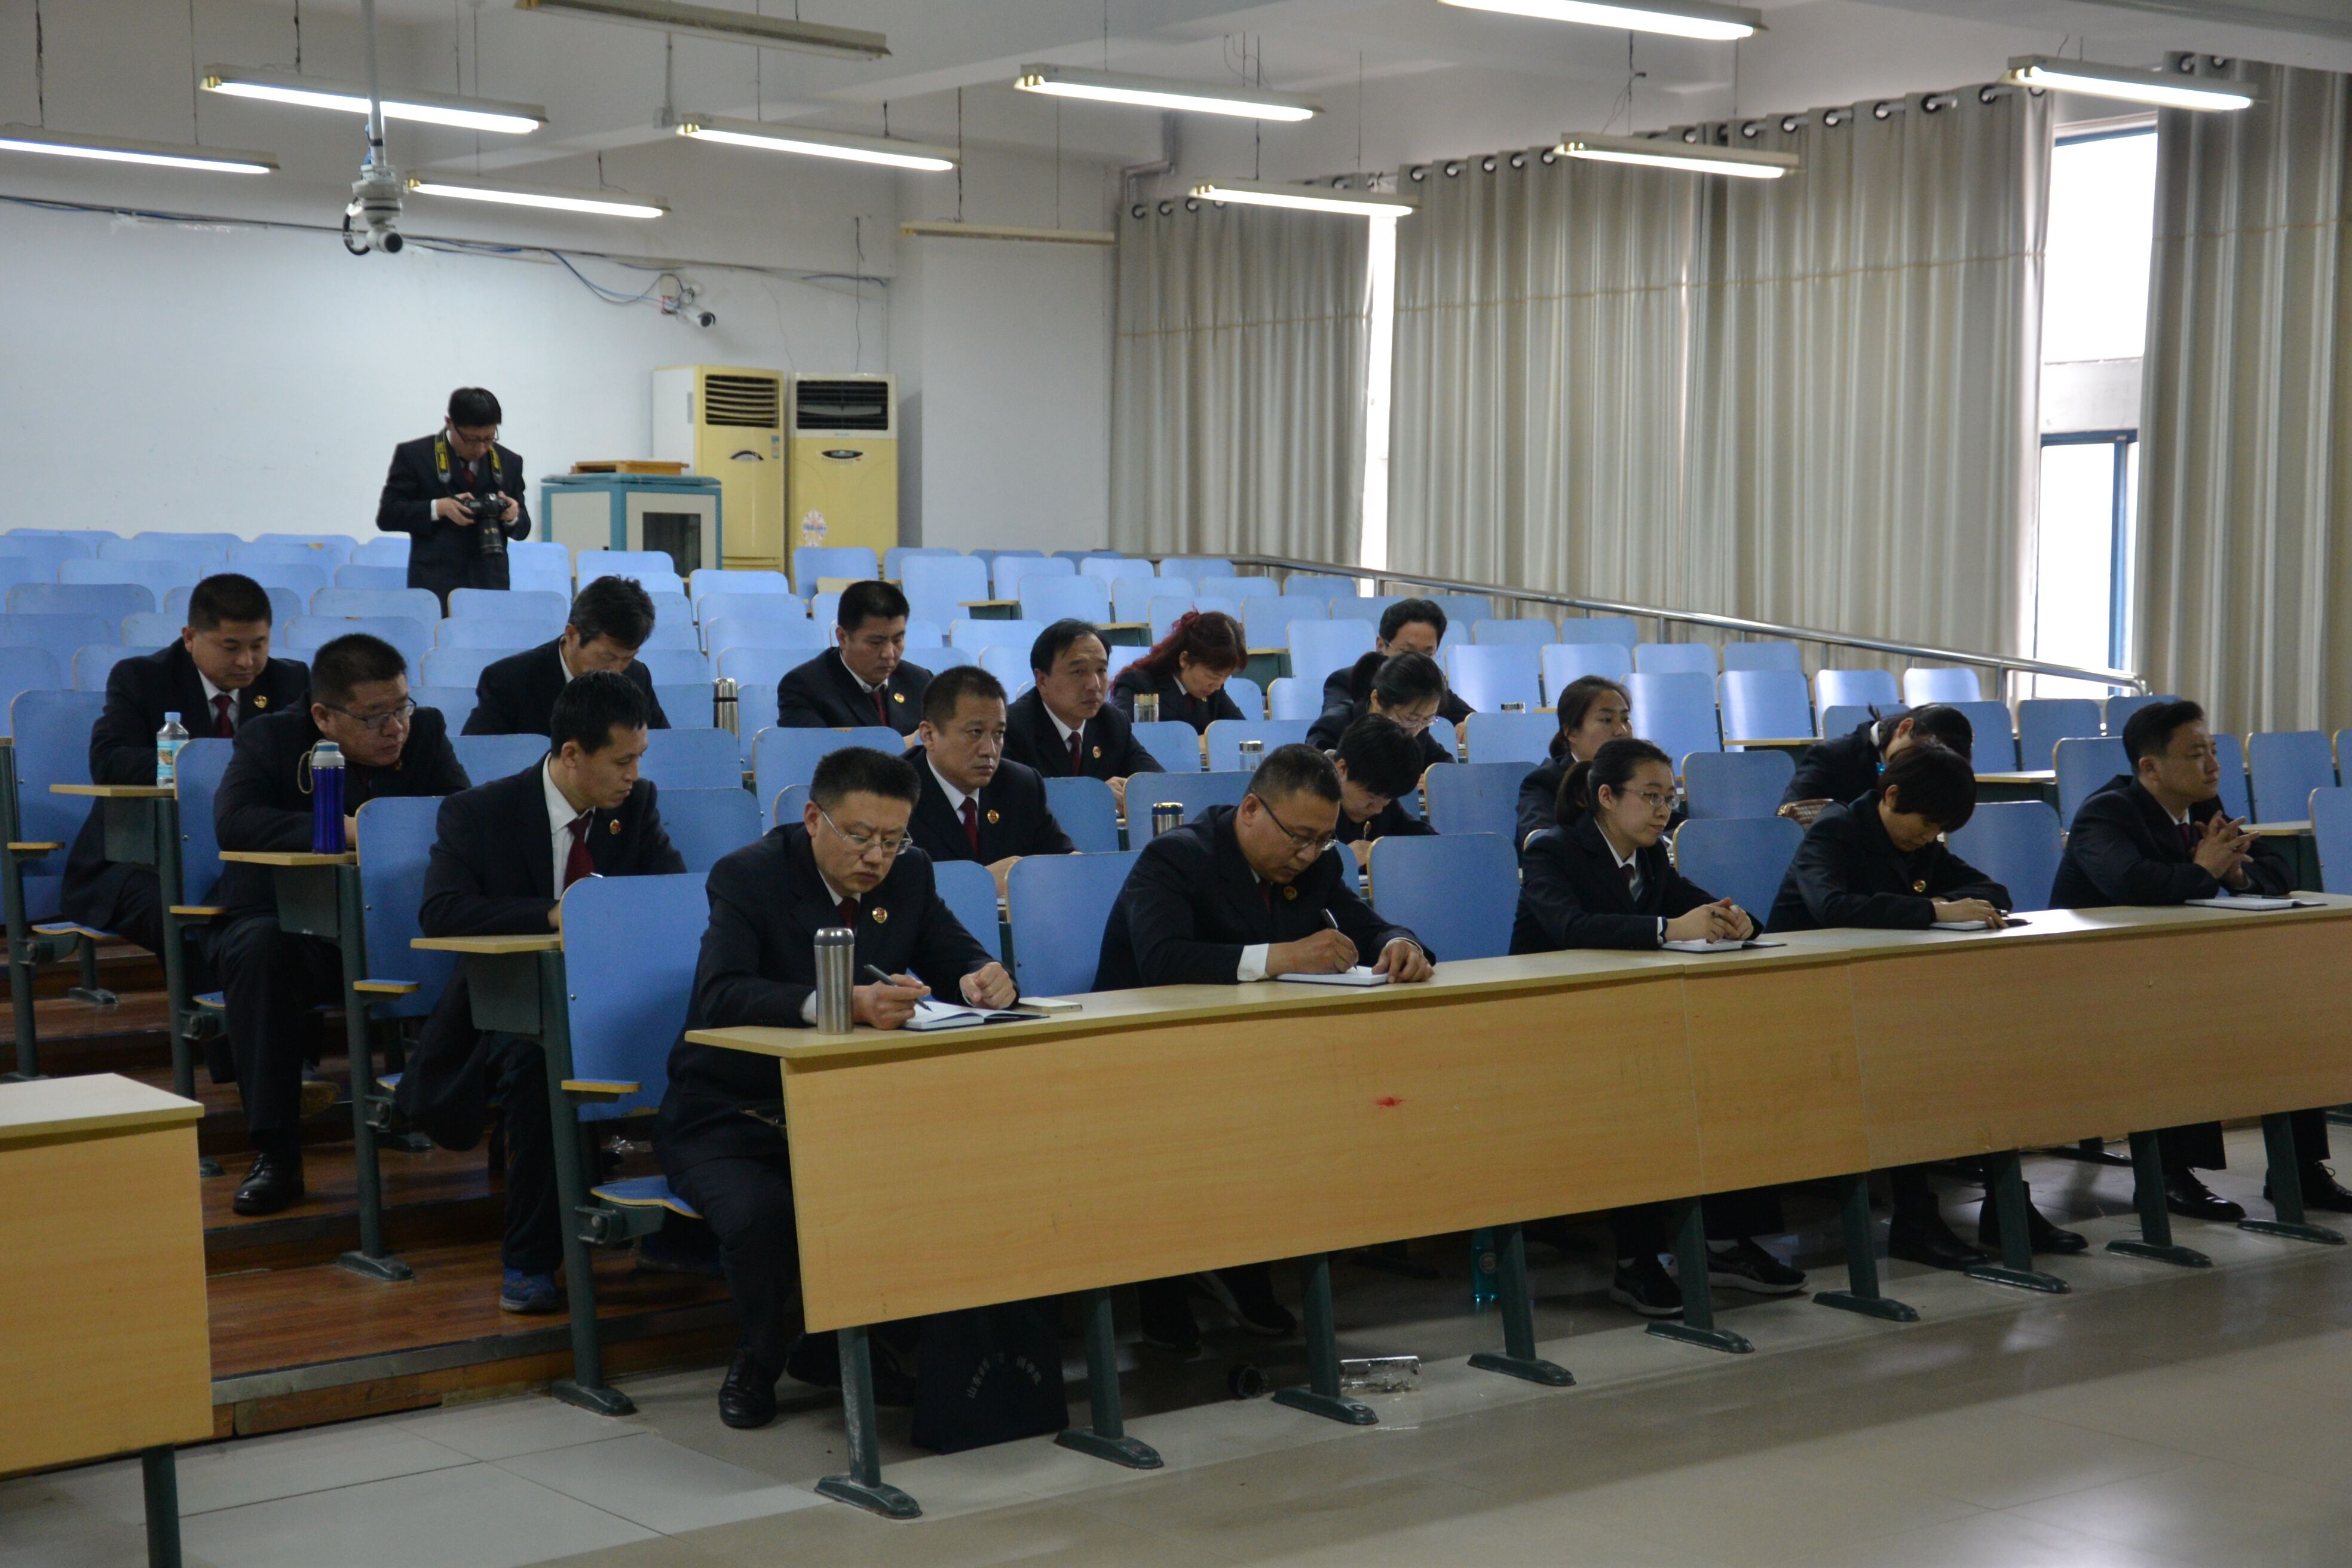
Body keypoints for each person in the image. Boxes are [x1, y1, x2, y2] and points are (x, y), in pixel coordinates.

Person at [654, 746, 1015, 1429]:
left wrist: (984, 976)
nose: (877, 856)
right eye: (860, 836)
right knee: (765, 1214)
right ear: (814, 818)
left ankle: (845, 1346)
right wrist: (843, 1002)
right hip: (730, 1115)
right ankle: (760, 1356)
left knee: (940, 1185)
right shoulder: (749, 875)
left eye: (893, 839)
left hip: (849, 1113)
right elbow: (722, 994)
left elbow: (955, 951)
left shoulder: (910, 874)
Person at [1095, 743, 1433, 1351]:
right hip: (1143, 1057)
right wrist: (1281, 957)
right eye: (1298, 838)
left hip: (1247, 1057)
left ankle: (1245, 1265)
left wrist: (1399, 942)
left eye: (1322, 841)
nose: (1308, 855)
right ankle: (1167, 1288)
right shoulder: (1177, 857)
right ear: (1252, 809)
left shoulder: (1315, 866)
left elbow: (1365, 922)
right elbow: (1163, 959)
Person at [405, 672, 685, 1314]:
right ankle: (530, 1260)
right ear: (572, 754)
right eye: (622, 761)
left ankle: (686, 1234)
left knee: (701, 1043)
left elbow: (665, 893)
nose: (634, 775)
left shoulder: (636, 806)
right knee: (540, 1069)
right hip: (505, 1008)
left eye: (640, 758)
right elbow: (443, 912)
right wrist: (553, 914)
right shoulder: (479, 812)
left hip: (607, 998)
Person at [1511, 736, 1800, 1316]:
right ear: (1606, 797)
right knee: (1637, 1101)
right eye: (1650, 796)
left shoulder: (1650, 858)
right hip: (1554, 1025)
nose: (1664, 809)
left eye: (1670, 797)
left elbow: (1699, 904)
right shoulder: (1554, 850)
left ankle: (1724, 1242)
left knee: (1726, 1079)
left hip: (1631, 1019)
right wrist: (1670, 928)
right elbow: (1571, 927)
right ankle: (1635, 1259)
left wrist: (1737, 919)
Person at [1767, 742, 2081, 1267]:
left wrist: (1952, 905)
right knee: (1911, 1068)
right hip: (1811, 1000)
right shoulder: (1836, 831)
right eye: (1928, 824)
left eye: (1941, 830)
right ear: (1891, 796)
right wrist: (1936, 910)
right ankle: (1916, 1219)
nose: (1931, 837)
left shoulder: (1918, 843)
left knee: (1985, 1059)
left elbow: (1992, 890)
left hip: (1884, 995)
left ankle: (2006, 1204)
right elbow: (1833, 906)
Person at [2050, 700, 2348, 1215]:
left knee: (2290, 1017)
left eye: (2213, 751)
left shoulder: (2204, 806)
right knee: (2185, 1021)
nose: (2213, 765)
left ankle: (2299, 1172)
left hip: (2171, 970)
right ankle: (2168, 1176)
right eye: (2196, 754)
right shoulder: (2107, 813)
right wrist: (2206, 870)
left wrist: (2236, 874)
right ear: (2150, 767)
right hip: (2095, 979)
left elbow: (2277, 870)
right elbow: (2133, 884)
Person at [210, 634, 470, 1216]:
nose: (395, 728)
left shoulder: (425, 732)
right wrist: (347, 828)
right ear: (323, 716)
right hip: (299, 931)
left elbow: (462, 816)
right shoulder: (271, 738)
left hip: (395, 923)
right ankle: (277, 1152)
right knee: (258, 951)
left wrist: (390, 829)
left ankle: (478, 1118)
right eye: (374, 716)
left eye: (401, 708)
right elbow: (237, 822)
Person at [62, 572, 309, 984]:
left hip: (245, 856)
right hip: (142, 859)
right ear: (190, 637)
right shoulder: (142, 677)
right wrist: (195, 764)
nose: (247, 661)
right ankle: (213, 1016)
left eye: (259, 645)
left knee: (295, 914)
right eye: (231, 647)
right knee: (187, 912)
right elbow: (110, 761)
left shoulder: (289, 682)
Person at [905, 664, 1074, 892]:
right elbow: (892, 889)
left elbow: (1063, 860)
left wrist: (1078, 867)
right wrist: (982, 883)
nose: (990, 750)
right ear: (928, 735)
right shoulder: (893, 793)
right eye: (975, 732)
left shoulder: (1021, 785)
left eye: (999, 734)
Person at [375, 386, 531, 608]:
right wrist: (438, 508)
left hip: (490, 583)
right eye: (472, 439)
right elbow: (387, 516)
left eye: (489, 438)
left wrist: (513, 516)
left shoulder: (510, 462)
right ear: (449, 423)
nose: (481, 448)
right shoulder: (415, 456)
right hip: (435, 584)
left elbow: (523, 528)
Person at [463, 575, 670, 737]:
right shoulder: (508, 681)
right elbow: (478, 759)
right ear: (572, 635)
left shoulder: (637, 677)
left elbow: (663, 752)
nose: (617, 671)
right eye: (607, 657)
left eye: (627, 658)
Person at [1002, 618, 1162, 814]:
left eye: (1101, 670)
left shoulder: (1112, 722)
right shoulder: (1010, 728)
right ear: (1042, 680)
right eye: (1078, 671)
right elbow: (1010, 801)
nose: (1095, 685)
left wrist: (1134, 791)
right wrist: (1095, 796)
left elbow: (1159, 783)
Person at [773, 580, 932, 736]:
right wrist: (904, 745)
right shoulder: (804, 687)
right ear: (842, 638)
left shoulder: (920, 682)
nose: (889, 654)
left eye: (897, 640)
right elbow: (815, 749)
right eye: (876, 642)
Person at [1780, 703, 1975, 827]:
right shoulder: (1832, 757)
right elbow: (1793, 822)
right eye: (1920, 756)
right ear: (1905, 728)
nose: (1921, 769)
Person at [1518, 675, 1655, 849]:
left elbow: (1669, 827)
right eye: (1606, 720)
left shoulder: (1638, 777)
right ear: (1571, 732)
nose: (1621, 731)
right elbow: (1541, 840)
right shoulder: (1544, 782)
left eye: (1625, 719)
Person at [1315, 599, 1473, 731]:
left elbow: (1472, 720)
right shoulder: (1344, 681)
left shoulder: (1431, 686)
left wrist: (1466, 726)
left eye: (1427, 655)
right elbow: (1337, 727)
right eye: (1406, 652)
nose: (1416, 662)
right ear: (1381, 646)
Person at [1307, 650, 1455, 773]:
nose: (1416, 730)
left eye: (1427, 720)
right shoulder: (1332, 727)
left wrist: (1431, 780)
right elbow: (1319, 780)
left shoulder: (1416, 728)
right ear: (1376, 699)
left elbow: (1448, 767)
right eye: (1410, 719)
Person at [1110, 609, 1247, 733]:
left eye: (1225, 677)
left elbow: (1242, 732)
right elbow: (1119, 735)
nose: (1217, 685)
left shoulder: (1214, 691)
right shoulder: (1138, 685)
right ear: (1184, 659)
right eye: (1213, 675)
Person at [1329, 713, 1435, 868]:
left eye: (1387, 799)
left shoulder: (1385, 805)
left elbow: (1428, 841)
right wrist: (1341, 861)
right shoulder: (1308, 806)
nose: (1378, 810)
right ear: (1342, 769)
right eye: (1371, 797)